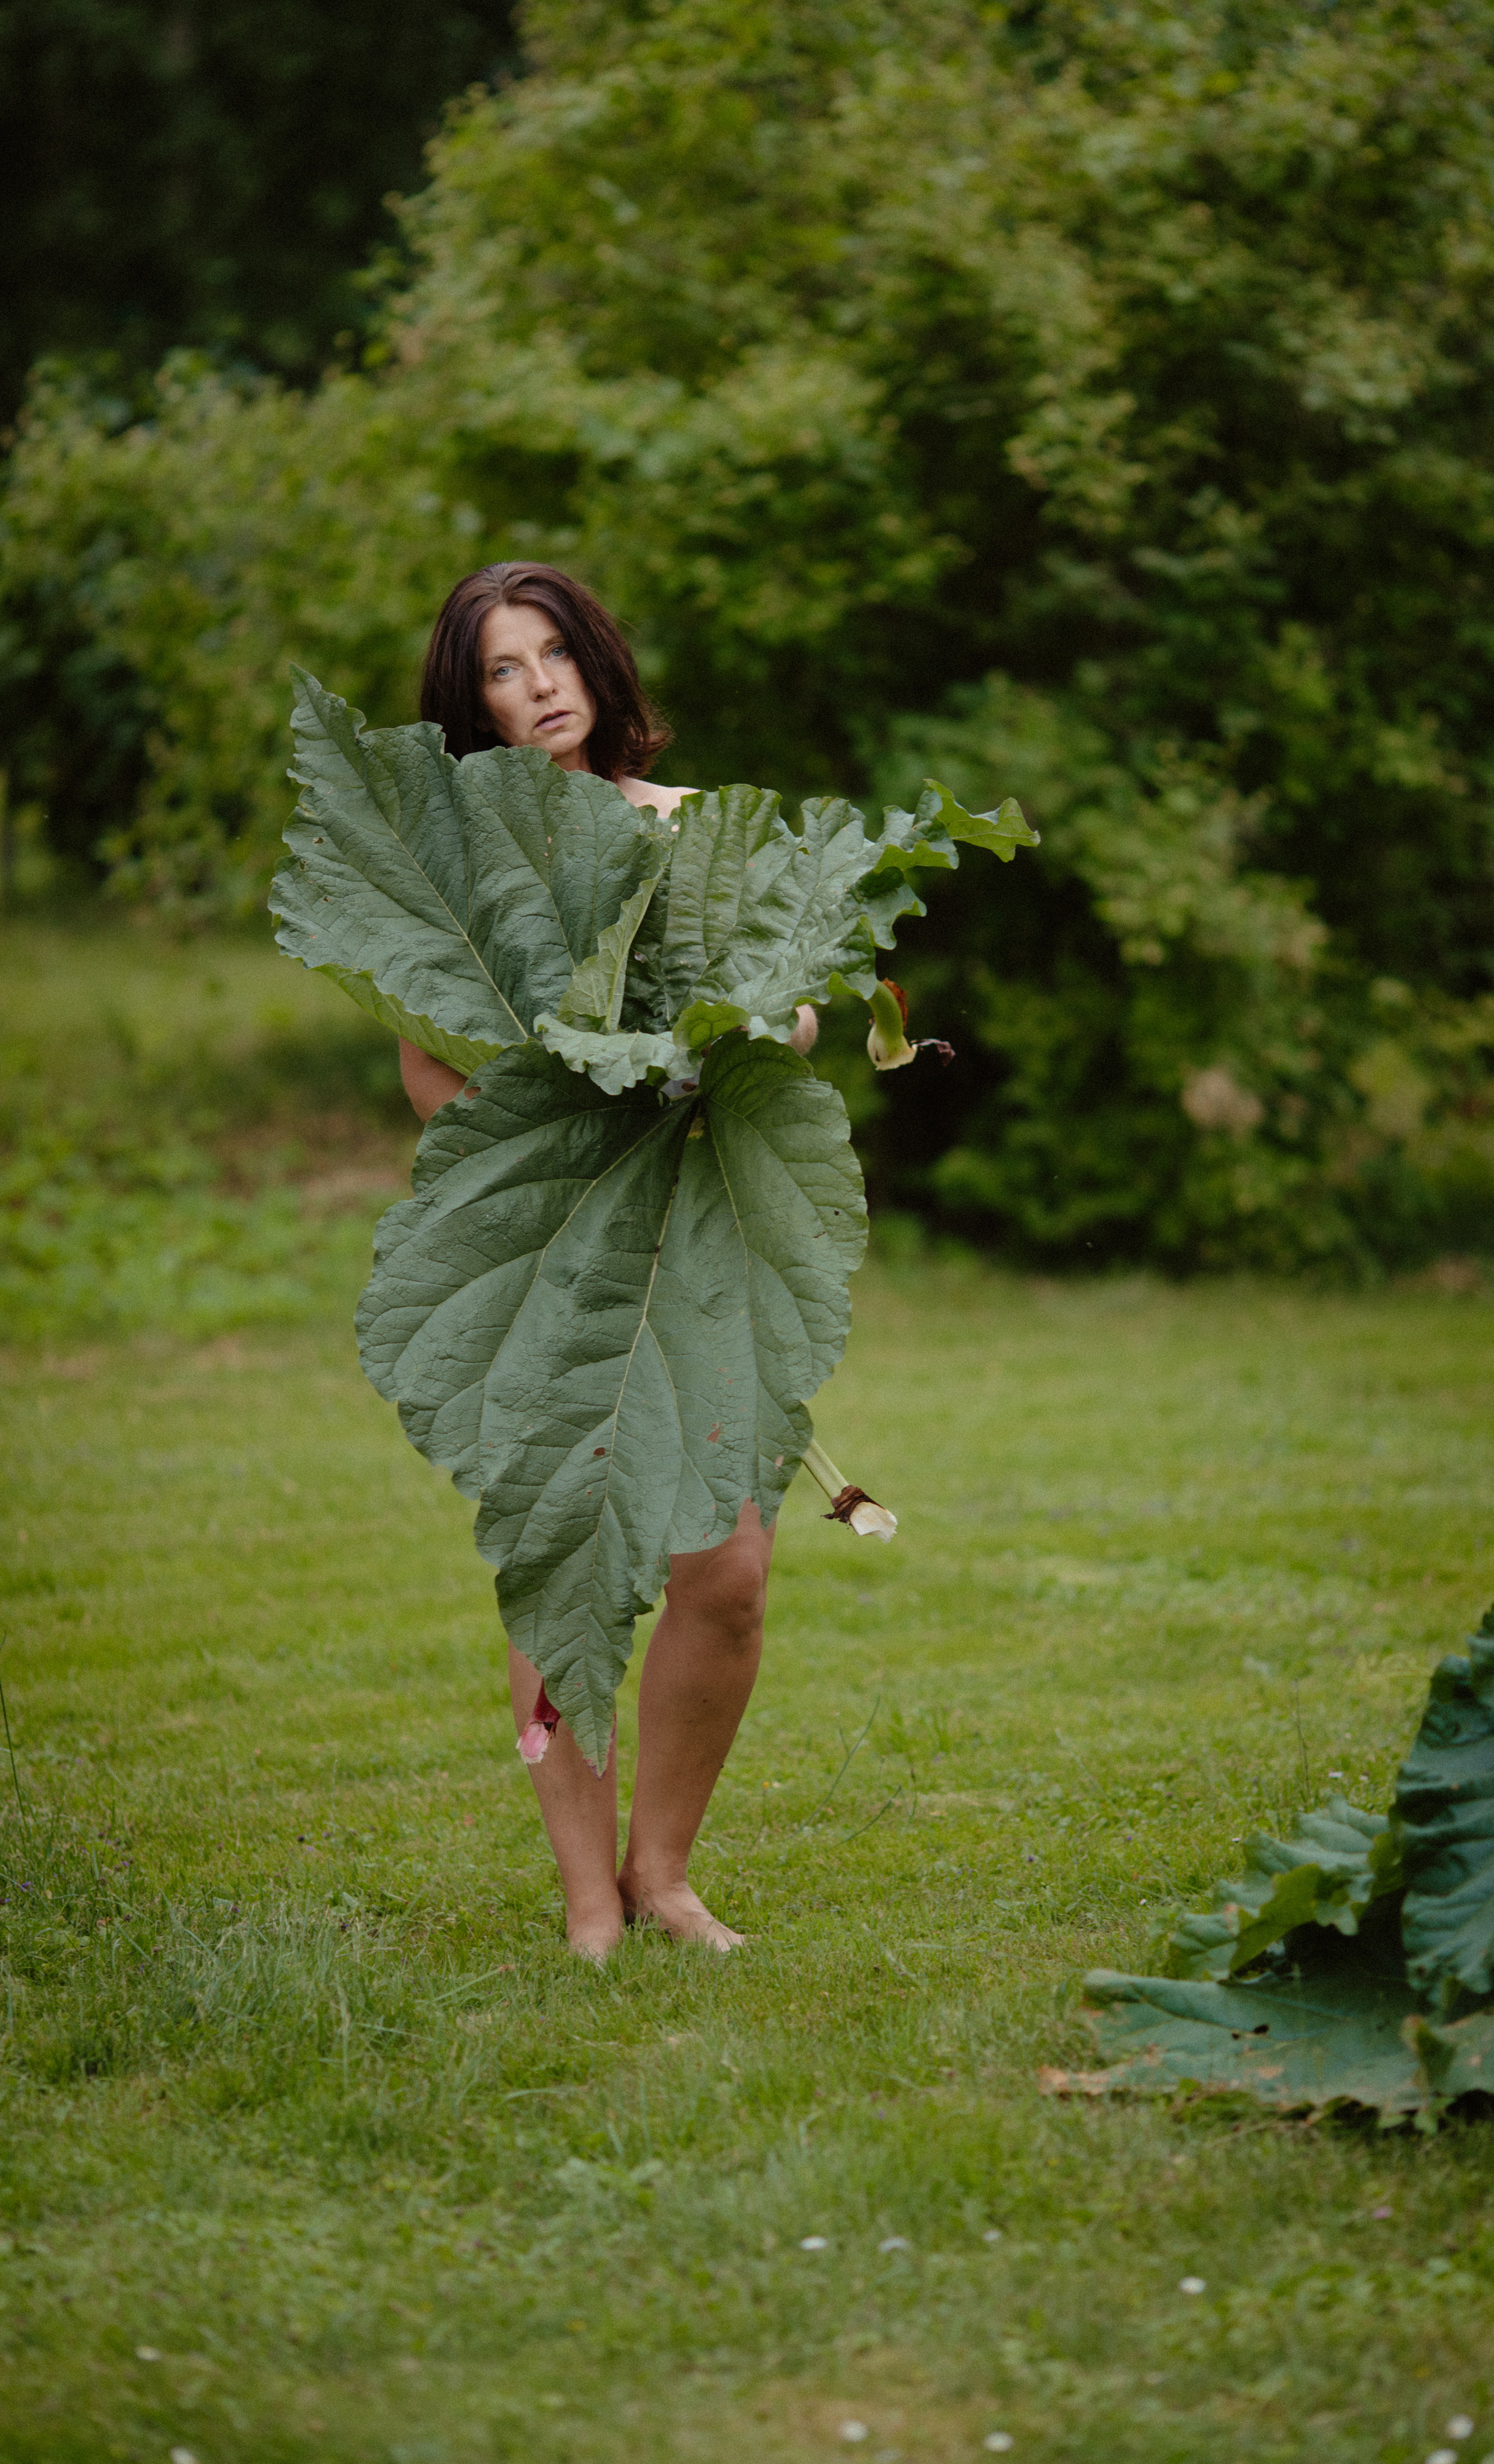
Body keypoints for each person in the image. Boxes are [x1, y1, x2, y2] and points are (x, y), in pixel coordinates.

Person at [403, 563, 818, 1959]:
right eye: (503, 668)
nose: (540, 686)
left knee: (729, 1570)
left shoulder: (692, 828)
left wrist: (736, 1044)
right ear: (473, 705)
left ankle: (664, 1873)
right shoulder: (465, 874)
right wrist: (560, 1154)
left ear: (597, 663)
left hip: (705, 1237)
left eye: (557, 653)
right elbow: (427, 1069)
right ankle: (588, 1897)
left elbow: (799, 1015)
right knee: (569, 1564)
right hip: (555, 1252)